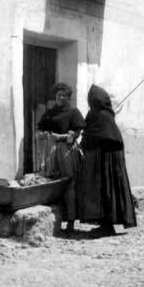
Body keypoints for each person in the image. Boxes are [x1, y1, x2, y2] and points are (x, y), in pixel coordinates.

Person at [79, 84, 136, 236]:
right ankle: (108, 224)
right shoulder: (108, 113)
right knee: (111, 189)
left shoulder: (96, 114)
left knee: (105, 189)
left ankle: (107, 225)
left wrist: (83, 143)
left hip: (105, 158)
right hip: (111, 157)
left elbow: (93, 134)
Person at [36, 83, 85, 231]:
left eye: (64, 95)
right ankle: (54, 220)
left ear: (68, 98)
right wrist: (43, 134)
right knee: (51, 182)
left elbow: (76, 133)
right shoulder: (50, 113)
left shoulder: (73, 112)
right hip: (50, 150)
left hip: (66, 151)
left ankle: (70, 220)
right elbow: (40, 130)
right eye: (58, 95)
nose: (61, 98)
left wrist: (64, 136)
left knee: (68, 182)